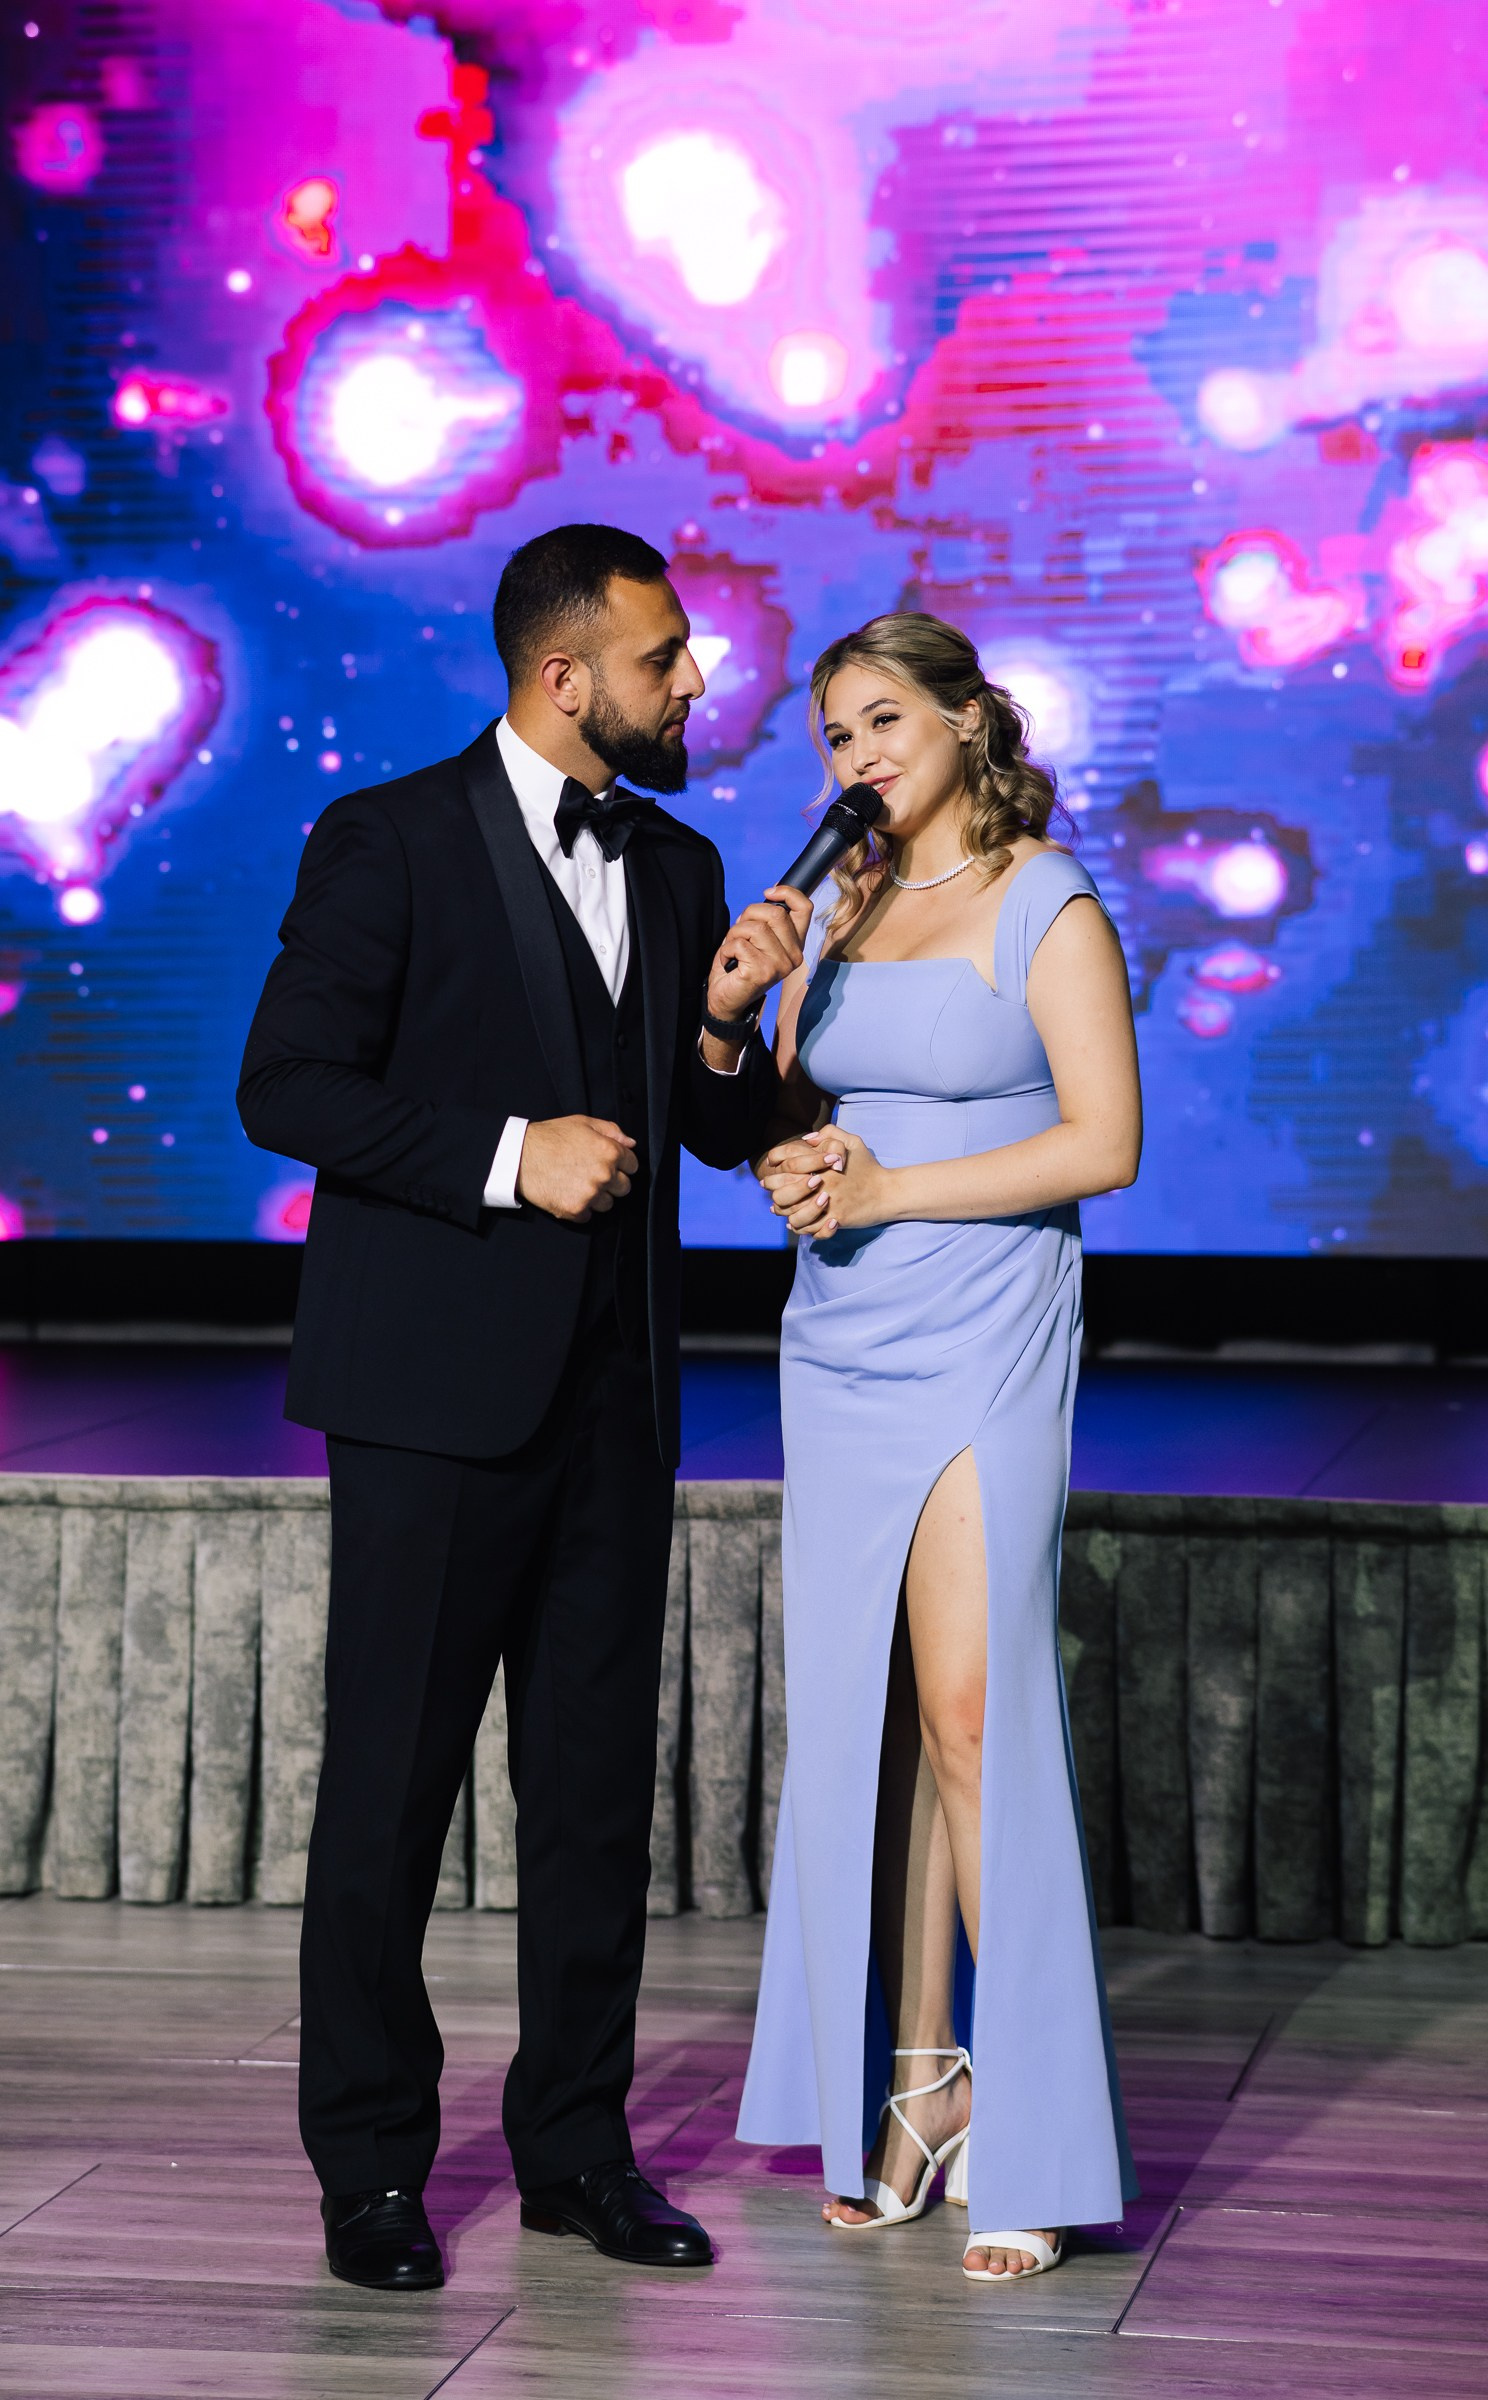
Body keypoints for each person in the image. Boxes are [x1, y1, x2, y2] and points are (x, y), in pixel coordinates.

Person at [238, 524, 803, 2291]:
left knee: (589, 1801)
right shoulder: (388, 837)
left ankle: (575, 2152)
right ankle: (371, 2173)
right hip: (427, 1402)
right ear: (565, 679)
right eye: (662, 659)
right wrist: (508, 1155)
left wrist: (727, 1031)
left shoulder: (680, 861)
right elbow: (285, 1086)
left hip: (617, 1402)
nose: (694, 682)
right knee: (389, 1795)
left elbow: (714, 1127)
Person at [735, 612, 1143, 2281]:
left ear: (970, 721)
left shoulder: (1046, 899)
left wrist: (894, 1186)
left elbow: (1103, 1144)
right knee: (874, 1725)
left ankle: (1034, 2130)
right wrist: (757, 1057)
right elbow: (792, 1117)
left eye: (884, 720)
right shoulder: (840, 907)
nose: (857, 757)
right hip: (838, 1336)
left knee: (973, 1715)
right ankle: (917, 2094)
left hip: (984, 1327)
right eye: (834, 735)